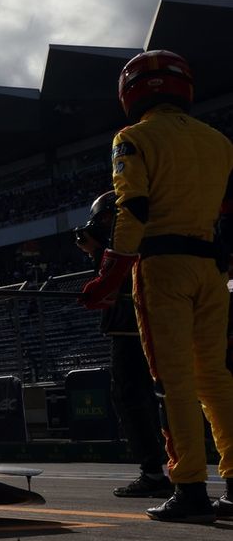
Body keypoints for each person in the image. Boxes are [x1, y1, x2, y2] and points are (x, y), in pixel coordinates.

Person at [82, 49, 233, 523]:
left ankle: (188, 487)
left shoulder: (132, 138)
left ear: (130, 92)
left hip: (162, 267)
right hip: (212, 269)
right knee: (216, 378)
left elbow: (134, 209)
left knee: (173, 383)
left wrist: (109, 274)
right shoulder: (219, 142)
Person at [75, 190, 172, 497]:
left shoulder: (121, 246)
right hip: (166, 326)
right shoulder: (158, 232)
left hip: (132, 332)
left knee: (131, 399)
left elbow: (107, 291)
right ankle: (182, 471)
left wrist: (96, 255)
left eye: (106, 218)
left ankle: (154, 473)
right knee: (171, 398)